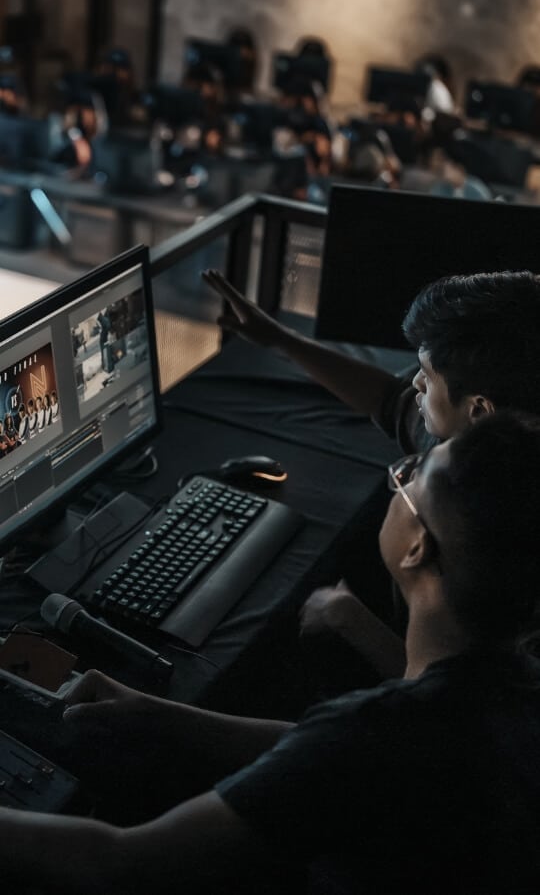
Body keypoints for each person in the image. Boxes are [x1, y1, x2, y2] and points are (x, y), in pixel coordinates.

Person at [2, 411, 540, 894]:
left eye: (411, 477)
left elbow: (121, 863)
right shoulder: (511, 682)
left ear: (418, 547)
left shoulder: (381, 735)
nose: (399, 477)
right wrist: (154, 713)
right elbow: (319, 750)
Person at [202, 268, 540, 679]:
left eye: (428, 377)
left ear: (479, 412)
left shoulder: (506, 539)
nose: (414, 381)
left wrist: (350, 619)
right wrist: (280, 340)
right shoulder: (480, 442)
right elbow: (389, 399)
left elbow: (460, 702)